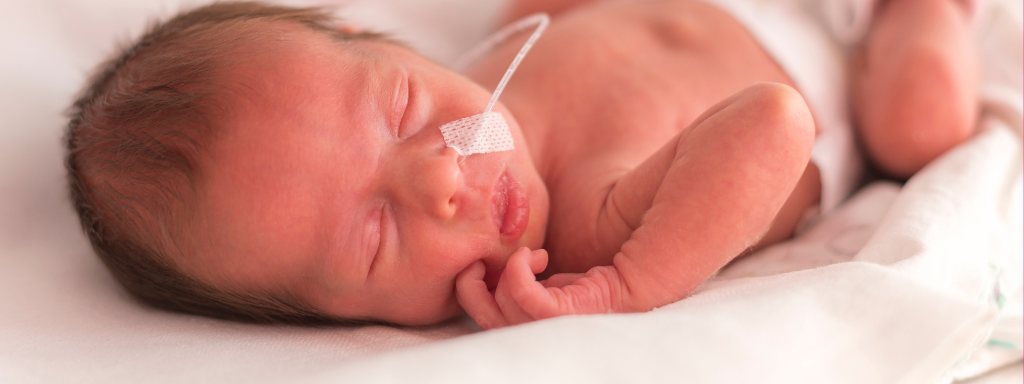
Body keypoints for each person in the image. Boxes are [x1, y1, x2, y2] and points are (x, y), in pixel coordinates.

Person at [65, 0, 977, 328]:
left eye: (398, 108)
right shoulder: (587, 222)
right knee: (924, 120)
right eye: (377, 233)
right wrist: (624, 288)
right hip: (846, 74)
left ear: (379, 41)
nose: (437, 176)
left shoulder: (491, 69)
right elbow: (777, 122)